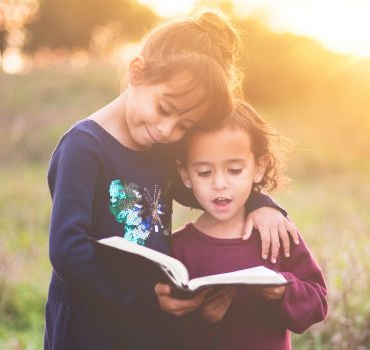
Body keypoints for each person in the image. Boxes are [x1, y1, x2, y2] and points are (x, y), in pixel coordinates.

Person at [44, 10, 299, 350]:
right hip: (90, 320)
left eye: (184, 125)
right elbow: (67, 250)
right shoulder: (84, 148)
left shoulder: (160, 148)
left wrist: (262, 204)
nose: (168, 130)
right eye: (165, 109)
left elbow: (207, 192)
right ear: (137, 72)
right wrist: (146, 297)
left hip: (149, 319)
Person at [171, 100, 328, 350]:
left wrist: (283, 291)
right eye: (204, 172)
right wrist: (205, 319)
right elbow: (165, 333)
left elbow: (317, 302)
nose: (219, 183)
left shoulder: (275, 232)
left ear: (259, 168)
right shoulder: (178, 249)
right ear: (185, 174)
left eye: (234, 170)